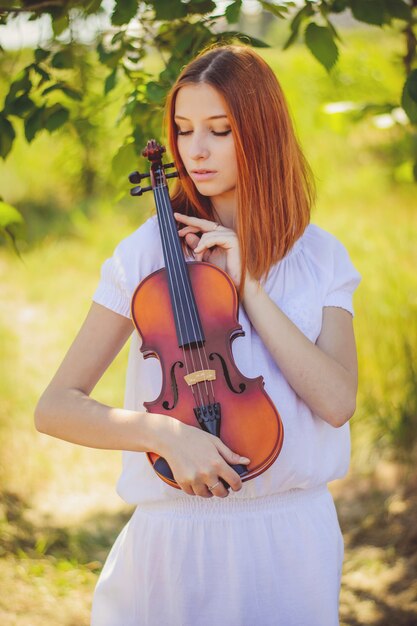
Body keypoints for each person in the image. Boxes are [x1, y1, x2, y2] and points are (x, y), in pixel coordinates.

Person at [34, 44, 361, 626]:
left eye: (220, 129)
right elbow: (55, 407)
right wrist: (164, 434)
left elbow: (336, 403)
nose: (196, 150)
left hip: (293, 544)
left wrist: (247, 286)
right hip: (176, 546)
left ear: (261, 134)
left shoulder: (320, 258)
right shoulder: (145, 255)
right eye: (184, 131)